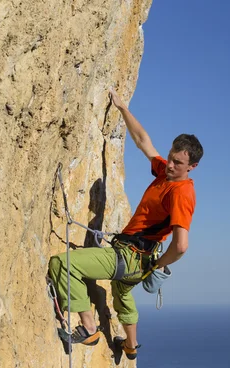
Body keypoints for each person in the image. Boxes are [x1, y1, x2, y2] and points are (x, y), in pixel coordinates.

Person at [48, 87, 203, 360]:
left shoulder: (181, 193)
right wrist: (122, 108)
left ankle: (88, 328)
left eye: (178, 163)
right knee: (122, 293)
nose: (169, 165)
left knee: (63, 263)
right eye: (170, 158)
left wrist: (159, 264)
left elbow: (181, 246)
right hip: (136, 260)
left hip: (131, 257)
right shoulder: (165, 174)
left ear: (192, 167)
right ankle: (130, 347)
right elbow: (143, 141)